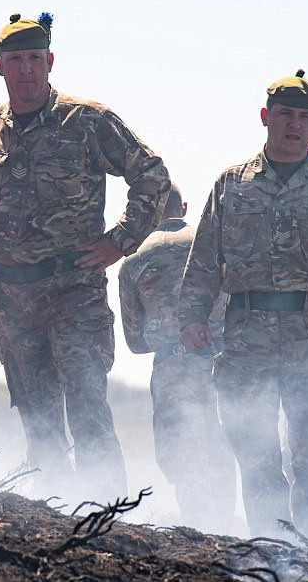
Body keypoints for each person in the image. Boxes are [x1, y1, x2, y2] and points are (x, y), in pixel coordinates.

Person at [0, 13, 170, 501]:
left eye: (34, 59)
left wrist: (122, 240)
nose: (26, 69)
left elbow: (150, 174)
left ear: (50, 61)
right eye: (15, 60)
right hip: (12, 295)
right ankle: (53, 521)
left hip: (75, 291)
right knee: (37, 416)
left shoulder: (87, 121)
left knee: (87, 406)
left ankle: (107, 515)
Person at [177, 71, 308, 546]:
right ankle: (269, 545)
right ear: (266, 118)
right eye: (285, 114)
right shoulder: (232, 184)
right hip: (245, 338)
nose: (294, 124)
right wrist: (192, 316)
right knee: (254, 447)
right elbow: (205, 257)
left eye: (304, 117)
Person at [118, 183, 236, 532]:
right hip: (222, 362)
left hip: (171, 368)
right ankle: (225, 527)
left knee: (183, 452)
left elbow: (136, 342)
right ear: (183, 207)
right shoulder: (214, 245)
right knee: (223, 443)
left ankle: (197, 528)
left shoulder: (133, 261)